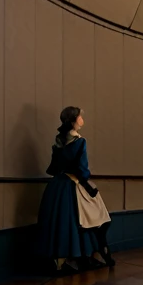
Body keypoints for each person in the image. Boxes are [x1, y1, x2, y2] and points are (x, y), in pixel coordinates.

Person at [36, 105, 114, 275]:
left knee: (60, 222)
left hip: (56, 187)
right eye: (80, 116)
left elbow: (53, 167)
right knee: (89, 218)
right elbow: (83, 169)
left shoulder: (58, 141)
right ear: (73, 120)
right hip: (72, 185)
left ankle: (60, 260)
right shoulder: (79, 142)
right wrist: (85, 181)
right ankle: (82, 256)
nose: (82, 118)